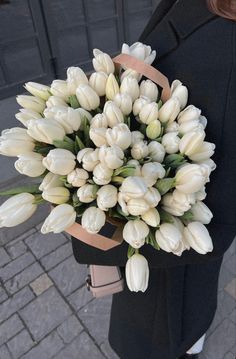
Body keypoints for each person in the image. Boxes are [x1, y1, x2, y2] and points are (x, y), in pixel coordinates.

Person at [71, 0, 236, 358]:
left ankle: (189, 340)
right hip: (151, 207)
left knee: (160, 333)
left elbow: (220, 216)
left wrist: (91, 227)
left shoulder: (228, 48)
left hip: (170, 252)